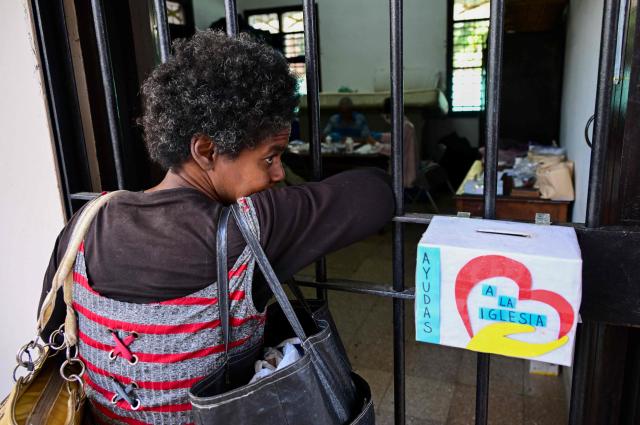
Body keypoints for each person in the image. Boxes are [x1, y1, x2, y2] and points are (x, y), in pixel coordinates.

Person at [38, 31, 393, 424]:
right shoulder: (250, 230)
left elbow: (52, 334)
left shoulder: (85, 224)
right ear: (206, 151)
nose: (278, 174)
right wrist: (279, 205)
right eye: (270, 156)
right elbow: (376, 194)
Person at [370, 97, 417, 188]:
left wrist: (375, 144)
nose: (387, 119)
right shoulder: (404, 123)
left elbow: (395, 150)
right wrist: (381, 136)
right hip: (403, 165)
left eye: (387, 116)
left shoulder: (404, 126)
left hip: (404, 170)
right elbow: (396, 137)